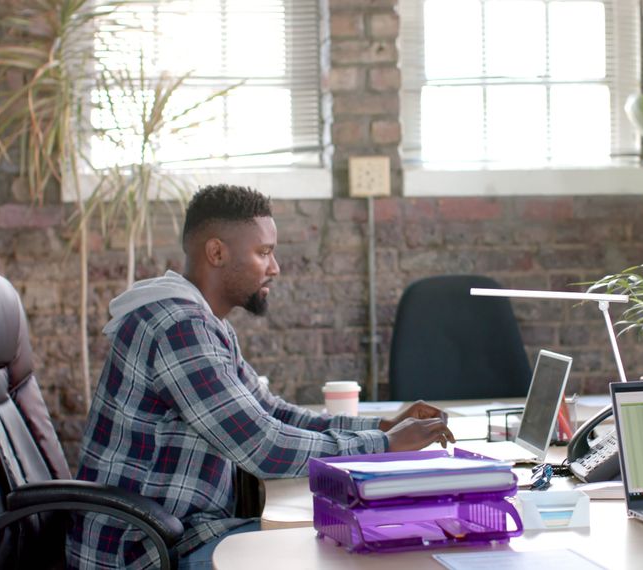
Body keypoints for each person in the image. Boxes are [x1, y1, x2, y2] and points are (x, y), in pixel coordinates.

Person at [66, 185, 455, 570]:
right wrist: (383, 444)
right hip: (144, 552)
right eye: (263, 252)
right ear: (217, 252)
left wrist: (381, 425)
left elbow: (271, 412)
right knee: (341, 551)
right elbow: (263, 445)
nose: (275, 267)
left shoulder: (201, 322)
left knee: (344, 536)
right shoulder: (178, 327)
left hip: (179, 532)